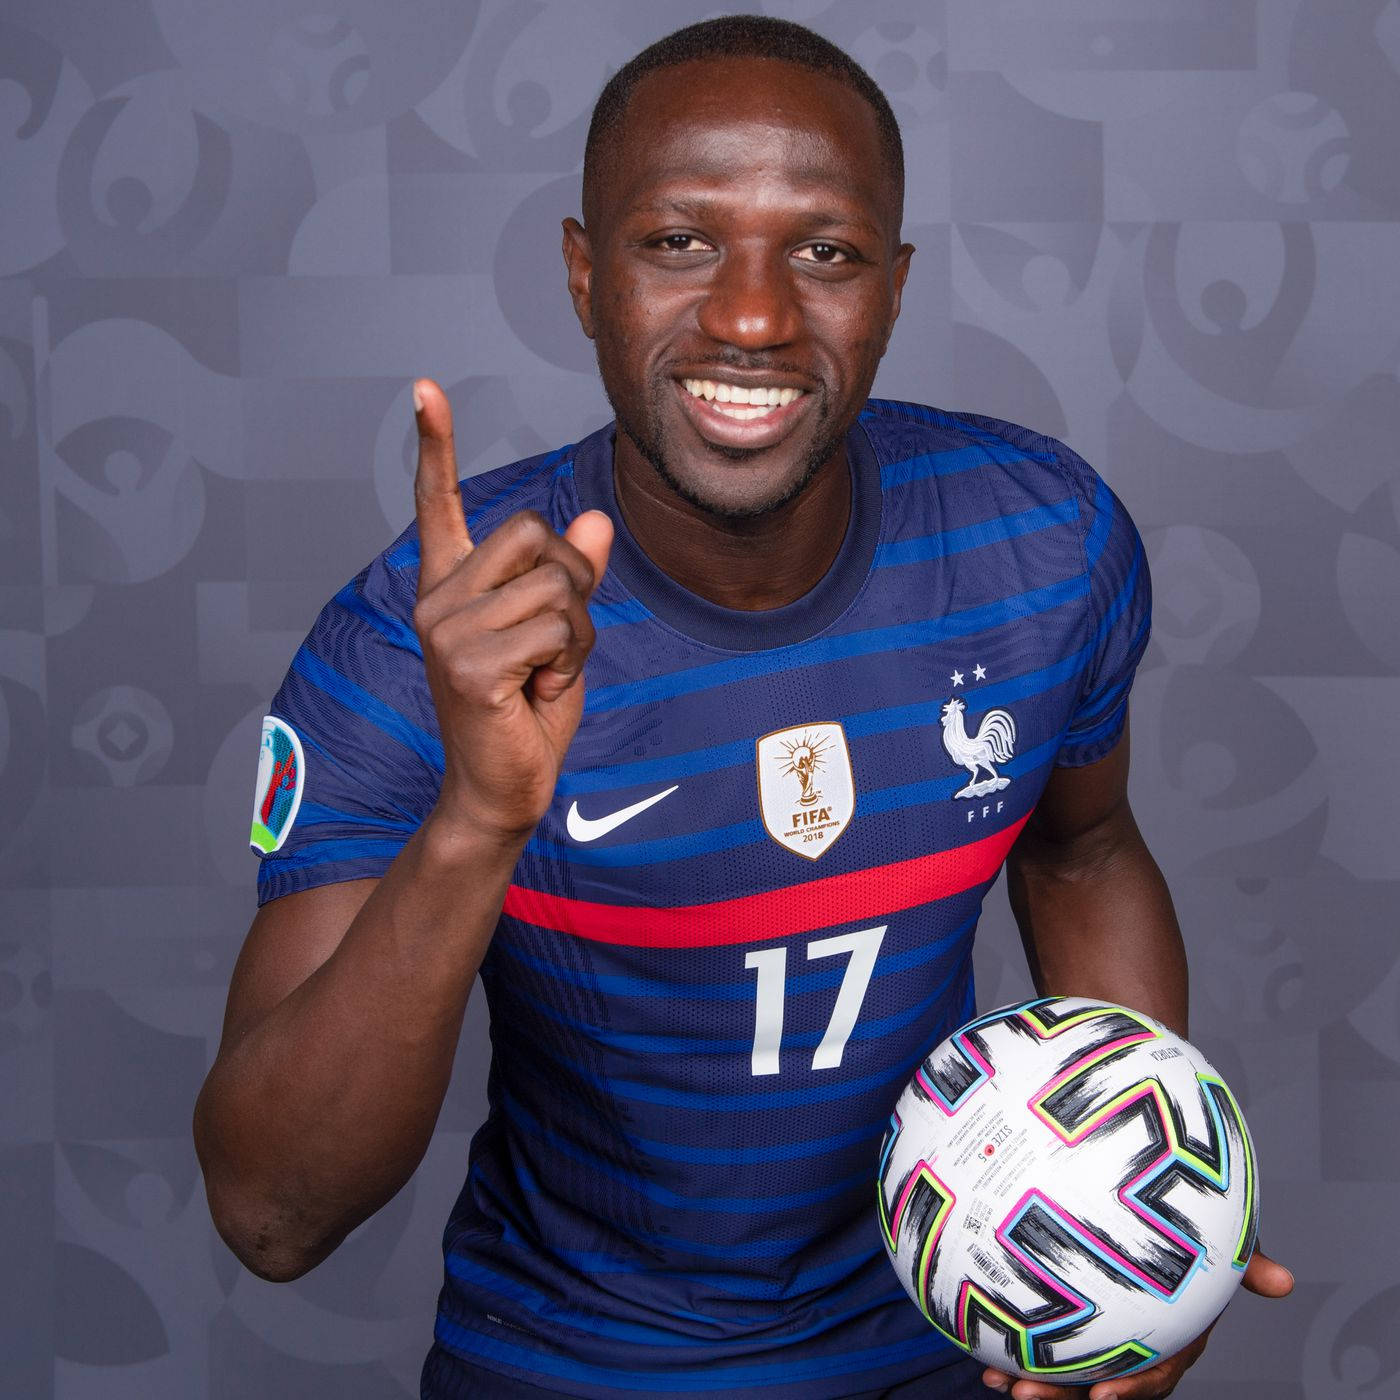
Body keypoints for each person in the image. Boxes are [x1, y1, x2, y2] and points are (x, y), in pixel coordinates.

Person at [193, 16, 1292, 1400]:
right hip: (576, 1373)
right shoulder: (417, 640)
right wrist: (479, 820)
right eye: (679, 243)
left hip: (936, 1365)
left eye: (823, 253)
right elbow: (272, 1215)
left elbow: (1084, 848)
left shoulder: (1043, 547)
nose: (755, 316)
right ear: (587, 278)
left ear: (890, 291)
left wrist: (1153, 1230)